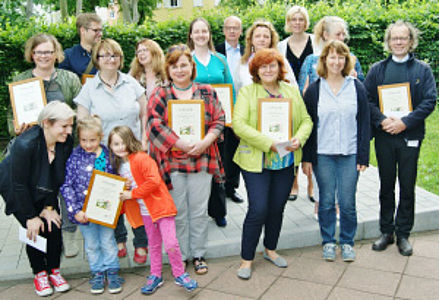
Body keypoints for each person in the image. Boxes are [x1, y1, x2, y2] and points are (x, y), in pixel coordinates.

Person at [233, 49, 312, 279]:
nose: (268, 70)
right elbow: (239, 125)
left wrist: (299, 138)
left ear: (279, 68)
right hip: (256, 160)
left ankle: (270, 249)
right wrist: (269, 143)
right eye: (263, 66)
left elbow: (306, 120)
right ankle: (246, 259)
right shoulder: (248, 92)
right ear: (256, 70)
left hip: (286, 160)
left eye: (272, 65)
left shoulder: (291, 91)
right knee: (258, 209)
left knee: (277, 208)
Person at [147, 44, 225, 275]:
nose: (180, 70)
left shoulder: (207, 91)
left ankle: (199, 254)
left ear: (192, 66)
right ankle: (180, 255)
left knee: (199, 211)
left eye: (184, 65)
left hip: (202, 159)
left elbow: (219, 120)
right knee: (178, 212)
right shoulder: (161, 93)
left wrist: (205, 142)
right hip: (172, 163)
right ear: (168, 69)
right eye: (174, 66)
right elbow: (153, 123)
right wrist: (179, 143)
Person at [364, 21, 437, 256]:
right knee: (386, 185)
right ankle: (386, 231)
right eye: (394, 38)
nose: (398, 42)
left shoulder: (422, 70)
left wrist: (406, 122)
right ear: (388, 42)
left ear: (411, 41)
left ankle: (403, 233)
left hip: (410, 136)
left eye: (403, 38)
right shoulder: (377, 70)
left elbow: (429, 100)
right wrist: (383, 121)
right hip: (385, 135)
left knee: (407, 185)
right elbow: (367, 100)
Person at [74, 38, 148, 263]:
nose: (110, 59)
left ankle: (141, 243)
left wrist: (144, 138)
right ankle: (119, 238)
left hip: (133, 150)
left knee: (136, 197)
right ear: (97, 59)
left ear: (120, 58)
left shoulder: (132, 83)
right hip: (104, 153)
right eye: (105, 55)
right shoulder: (89, 88)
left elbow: (146, 113)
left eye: (114, 55)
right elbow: (82, 122)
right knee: (112, 195)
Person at [9, 33, 82, 258]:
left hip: (63, 144)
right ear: (32, 54)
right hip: (33, 148)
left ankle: (68, 234)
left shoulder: (70, 79)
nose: (44, 56)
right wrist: (16, 129)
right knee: (37, 190)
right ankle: (43, 236)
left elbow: (80, 113)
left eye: (49, 51)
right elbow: (11, 118)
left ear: (56, 53)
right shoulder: (21, 80)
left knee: (65, 188)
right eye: (39, 52)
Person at [108, 126, 198, 294]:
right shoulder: (118, 165)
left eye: (123, 143)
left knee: (171, 242)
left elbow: (153, 181)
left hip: (161, 208)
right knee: (154, 244)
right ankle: (155, 275)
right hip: (145, 212)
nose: (120, 147)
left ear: (131, 141)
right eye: (115, 144)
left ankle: (180, 273)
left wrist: (131, 193)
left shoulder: (142, 158)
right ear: (110, 146)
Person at [302, 40, 370, 262]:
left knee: (348, 202)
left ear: (346, 61)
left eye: (341, 57)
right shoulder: (314, 90)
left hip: (350, 154)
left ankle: (348, 242)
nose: (336, 61)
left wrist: (363, 155)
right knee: (327, 201)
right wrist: (307, 158)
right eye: (332, 57)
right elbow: (308, 125)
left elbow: (364, 123)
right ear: (324, 60)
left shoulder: (356, 87)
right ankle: (329, 241)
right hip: (323, 154)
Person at [0, 101, 74, 296]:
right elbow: (19, 184)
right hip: (17, 190)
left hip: (45, 187)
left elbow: (57, 175)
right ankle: (40, 273)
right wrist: (31, 216)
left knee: (54, 225)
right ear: (47, 123)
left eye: (71, 125)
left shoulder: (65, 140)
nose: (69, 130)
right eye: (64, 126)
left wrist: (49, 207)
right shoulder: (25, 144)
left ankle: (54, 271)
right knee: (35, 230)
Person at [298, 15, 365, 219]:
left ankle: (338, 207)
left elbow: (363, 90)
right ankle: (321, 203)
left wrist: (352, 76)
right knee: (322, 174)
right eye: (338, 33)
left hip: (346, 128)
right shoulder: (311, 60)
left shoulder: (352, 59)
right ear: (325, 35)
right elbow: (302, 90)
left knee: (344, 178)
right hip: (321, 128)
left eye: (344, 33)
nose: (342, 37)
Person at [60, 116, 123, 294]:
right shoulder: (74, 157)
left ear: (101, 136)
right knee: (92, 244)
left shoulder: (109, 155)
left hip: (105, 212)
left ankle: (112, 271)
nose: (88, 144)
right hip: (84, 213)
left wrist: (121, 190)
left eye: (92, 140)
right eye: (83, 140)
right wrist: (75, 210)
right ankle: (97, 272)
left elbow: (117, 180)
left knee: (108, 241)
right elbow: (67, 185)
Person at [187, 17, 236, 227]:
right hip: (195, 124)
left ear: (209, 34)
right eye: (196, 31)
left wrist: (229, 120)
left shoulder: (220, 60)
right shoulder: (186, 60)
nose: (200, 35)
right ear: (191, 35)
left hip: (219, 125)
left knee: (218, 168)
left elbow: (230, 89)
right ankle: (196, 211)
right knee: (198, 169)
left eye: (204, 31)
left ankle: (218, 211)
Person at [278, 6, 318, 203]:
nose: (297, 23)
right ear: (288, 22)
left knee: (310, 141)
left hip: (313, 100)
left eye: (301, 19)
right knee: (291, 140)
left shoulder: (317, 42)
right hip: (289, 101)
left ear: (306, 22)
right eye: (293, 19)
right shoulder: (281, 46)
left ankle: (311, 183)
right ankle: (293, 183)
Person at [214, 16, 245, 207]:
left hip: (241, 103)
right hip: (220, 105)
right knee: (220, 148)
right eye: (229, 28)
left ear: (241, 31)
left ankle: (232, 187)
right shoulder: (215, 51)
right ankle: (219, 186)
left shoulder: (247, 51)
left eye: (236, 28)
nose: (232, 31)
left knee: (234, 147)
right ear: (224, 30)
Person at [234, 20, 297, 94]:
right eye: (257, 36)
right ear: (251, 40)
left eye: (266, 37)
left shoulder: (281, 61)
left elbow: (293, 87)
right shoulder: (242, 62)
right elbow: (237, 90)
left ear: (271, 40)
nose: (262, 39)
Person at [59, 13, 102, 78]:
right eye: (95, 30)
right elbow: (64, 84)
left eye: (101, 30)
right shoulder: (68, 56)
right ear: (83, 30)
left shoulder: (107, 54)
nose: (100, 34)